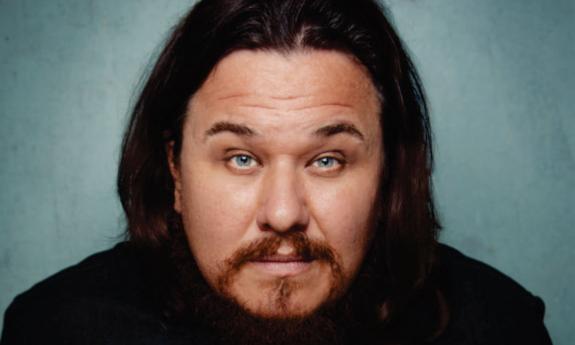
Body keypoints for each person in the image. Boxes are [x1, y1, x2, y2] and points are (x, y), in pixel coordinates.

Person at [0, 0, 552, 344]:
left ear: (387, 175)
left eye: (327, 160)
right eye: (241, 159)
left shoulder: (498, 325)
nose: (283, 213)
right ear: (174, 169)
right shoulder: (58, 328)